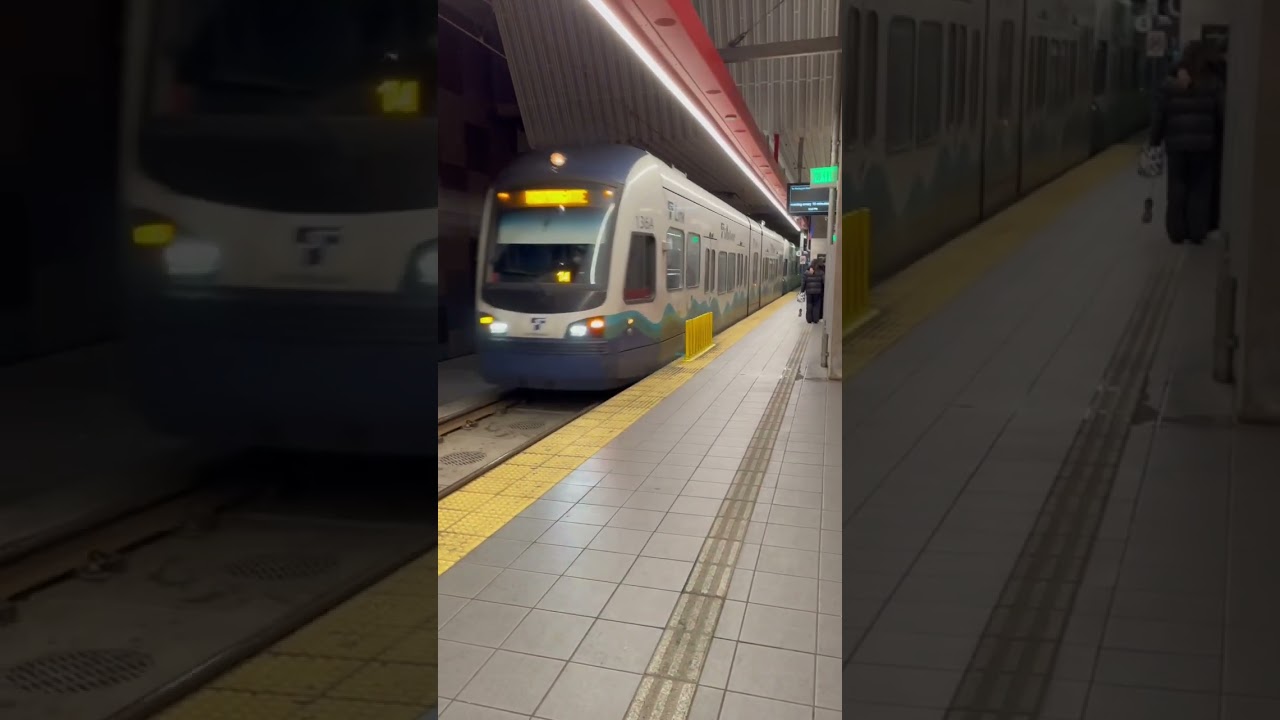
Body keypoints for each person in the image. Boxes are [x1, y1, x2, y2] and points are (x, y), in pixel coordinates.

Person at [1149, 41, 1224, 245]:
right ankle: (1196, 231)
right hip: (1204, 146)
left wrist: (1154, 140)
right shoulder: (1213, 83)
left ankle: (1177, 231)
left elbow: (1159, 116)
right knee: (1200, 188)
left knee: (1176, 186)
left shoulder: (1168, 84)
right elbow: (1222, 114)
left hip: (1176, 146)